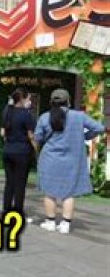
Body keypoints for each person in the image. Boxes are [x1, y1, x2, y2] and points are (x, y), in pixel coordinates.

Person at [35, 88, 105, 234]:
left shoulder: (44, 117)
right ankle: (65, 224)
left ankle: (50, 222)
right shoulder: (79, 116)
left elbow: (38, 138)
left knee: (49, 192)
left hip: (49, 159)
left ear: (51, 102)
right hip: (72, 161)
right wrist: (85, 136)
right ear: (68, 101)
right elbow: (99, 128)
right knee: (69, 193)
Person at [0, 88, 36, 218]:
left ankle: (6, 210)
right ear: (22, 99)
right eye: (29, 99)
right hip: (22, 152)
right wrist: (37, 149)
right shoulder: (26, 115)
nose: (30, 101)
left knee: (9, 183)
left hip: (8, 150)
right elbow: (31, 135)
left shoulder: (7, 112)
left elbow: (2, 133)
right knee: (20, 184)